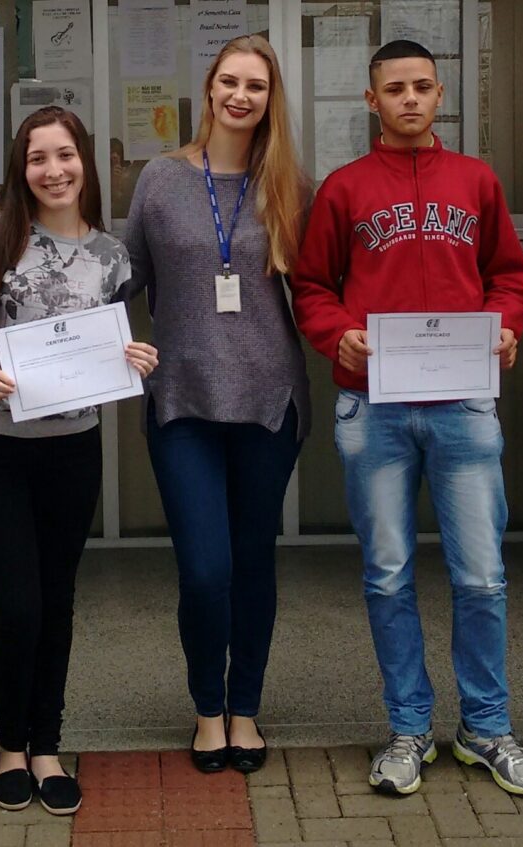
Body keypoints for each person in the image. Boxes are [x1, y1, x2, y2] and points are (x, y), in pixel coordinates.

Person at [289, 40, 523, 797]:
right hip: (375, 406)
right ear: (371, 100)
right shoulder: (344, 189)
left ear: (441, 96)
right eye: (396, 88)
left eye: (423, 87)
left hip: (464, 404)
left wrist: (505, 326)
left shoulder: (476, 181)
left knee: (483, 576)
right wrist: (337, 333)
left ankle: (486, 728)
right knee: (388, 575)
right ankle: (408, 728)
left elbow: (509, 276)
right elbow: (312, 285)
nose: (410, 98)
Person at [0, 106, 158, 814]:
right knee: (16, 605)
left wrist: (132, 357)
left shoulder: (113, 256)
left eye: (65, 155)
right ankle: (10, 744)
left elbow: (108, 342)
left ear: (84, 162)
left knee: (57, 600)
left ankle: (46, 748)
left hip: (70, 451)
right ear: (21, 166)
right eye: (38, 158)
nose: (53, 170)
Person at [124, 34, 311, 774]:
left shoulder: (290, 184)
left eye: (255, 86)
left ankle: (245, 710)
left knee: (253, 561)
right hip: (183, 401)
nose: (240, 96)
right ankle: (208, 708)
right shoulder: (161, 179)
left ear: (270, 99)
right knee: (205, 568)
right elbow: (121, 278)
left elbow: (323, 288)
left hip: (269, 401)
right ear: (209, 88)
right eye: (230, 81)